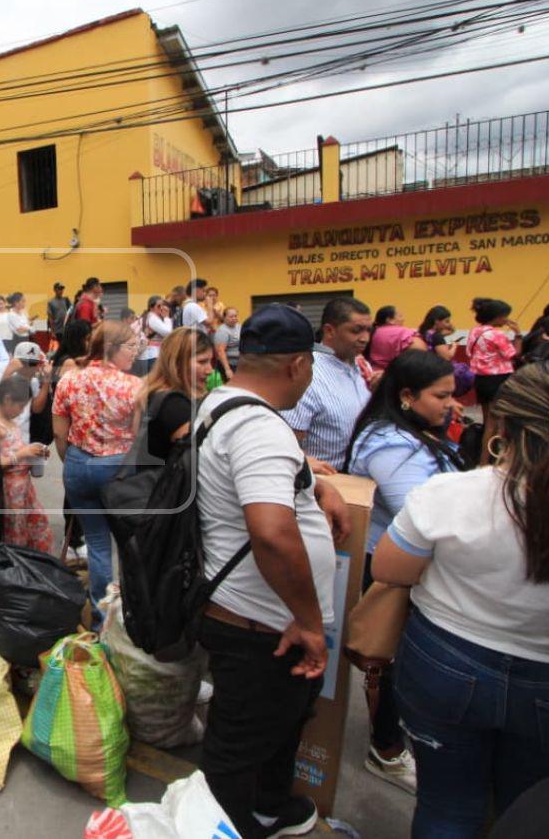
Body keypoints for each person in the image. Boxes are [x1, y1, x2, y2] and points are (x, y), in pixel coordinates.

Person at [372, 361, 549, 837]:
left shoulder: (450, 493)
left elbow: (389, 569)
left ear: (499, 423)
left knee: (446, 807)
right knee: (533, 810)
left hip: (447, 663)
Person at [194, 304, 350, 839]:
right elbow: (271, 533)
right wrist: (309, 622)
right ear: (299, 365)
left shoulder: (223, 401)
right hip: (262, 625)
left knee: (278, 728)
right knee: (238, 747)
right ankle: (229, 826)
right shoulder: (260, 426)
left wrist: (315, 483)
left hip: (255, 616)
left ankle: (268, 808)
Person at [344, 350, 462, 795]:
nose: (451, 404)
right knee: (384, 661)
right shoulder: (389, 442)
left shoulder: (418, 431)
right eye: (442, 396)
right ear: (408, 396)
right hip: (388, 569)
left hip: (419, 566)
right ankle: (385, 748)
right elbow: (424, 509)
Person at [53, 321, 142, 622]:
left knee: (98, 544)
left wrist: (74, 463)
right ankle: (129, 614)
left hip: (79, 464)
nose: (135, 352)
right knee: (129, 544)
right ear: (113, 349)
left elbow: (60, 435)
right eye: (131, 346)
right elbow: (137, 435)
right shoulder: (133, 386)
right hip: (117, 467)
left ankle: (102, 619)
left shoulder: (69, 380)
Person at [284, 297, 373, 474]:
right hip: (327, 483)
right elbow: (286, 441)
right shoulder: (309, 375)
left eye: (368, 330)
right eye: (356, 331)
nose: (365, 338)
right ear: (329, 330)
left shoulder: (359, 367)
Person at [0, 375, 52, 553]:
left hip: (23, 487)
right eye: (21, 406)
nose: (21, 411)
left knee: (36, 526)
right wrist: (22, 454)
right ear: (7, 400)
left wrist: (34, 452)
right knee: (16, 533)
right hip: (10, 490)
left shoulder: (10, 422)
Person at [140, 327, 214, 465]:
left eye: (210, 362)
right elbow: (202, 455)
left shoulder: (156, 393)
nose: (210, 370)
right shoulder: (174, 405)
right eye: (202, 362)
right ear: (177, 363)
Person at [468, 297, 521, 442]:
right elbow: (514, 354)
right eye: (505, 316)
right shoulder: (498, 335)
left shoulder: (474, 332)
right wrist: (518, 334)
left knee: (488, 423)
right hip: (498, 380)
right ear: (497, 317)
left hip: (481, 380)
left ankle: (484, 459)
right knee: (496, 426)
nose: (506, 320)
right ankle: (487, 459)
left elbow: (468, 352)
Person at [368, 305, 427, 370]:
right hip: (396, 374)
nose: (403, 319)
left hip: (373, 371)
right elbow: (421, 355)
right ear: (390, 320)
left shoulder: (374, 331)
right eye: (400, 316)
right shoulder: (402, 332)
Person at [136, 295, 174, 377]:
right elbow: (168, 333)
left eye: (163, 305)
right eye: (159, 306)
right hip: (153, 355)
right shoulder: (153, 318)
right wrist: (167, 318)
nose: (162, 308)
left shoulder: (151, 317)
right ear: (151, 307)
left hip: (152, 355)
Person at [214, 306, 242, 381]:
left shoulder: (239, 326)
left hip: (240, 364)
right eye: (231, 316)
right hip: (230, 364)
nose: (234, 318)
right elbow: (220, 351)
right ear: (224, 317)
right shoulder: (222, 331)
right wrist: (227, 370)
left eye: (235, 316)